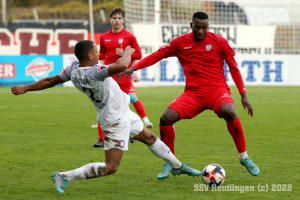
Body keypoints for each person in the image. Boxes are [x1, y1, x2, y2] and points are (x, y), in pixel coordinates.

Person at [11, 40, 202, 193]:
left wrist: (26, 87)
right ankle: (64, 176)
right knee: (111, 167)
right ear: (89, 55)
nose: (98, 54)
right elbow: (123, 65)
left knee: (150, 138)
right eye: (96, 51)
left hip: (123, 112)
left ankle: (177, 166)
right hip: (114, 120)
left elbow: (51, 80)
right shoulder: (95, 72)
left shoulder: (73, 69)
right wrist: (128, 51)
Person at [118, 11, 260, 179]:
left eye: (204, 28)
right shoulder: (180, 43)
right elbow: (157, 55)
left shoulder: (219, 41)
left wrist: (243, 94)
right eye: (197, 27)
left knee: (230, 111)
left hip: (217, 91)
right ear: (191, 25)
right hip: (193, 94)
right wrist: (134, 68)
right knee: (165, 118)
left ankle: (244, 157)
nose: (200, 31)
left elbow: (233, 67)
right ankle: (170, 163)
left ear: (208, 26)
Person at [92, 7, 153, 148]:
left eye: (119, 18)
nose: (117, 20)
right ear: (110, 20)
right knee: (103, 105)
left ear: (123, 20)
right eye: (114, 18)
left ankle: (130, 132)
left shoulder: (129, 37)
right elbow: (101, 56)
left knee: (123, 106)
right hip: (107, 75)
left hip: (123, 76)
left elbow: (138, 54)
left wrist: (126, 54)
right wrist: (96, 59)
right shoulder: (104, 37)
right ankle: (102, 139)